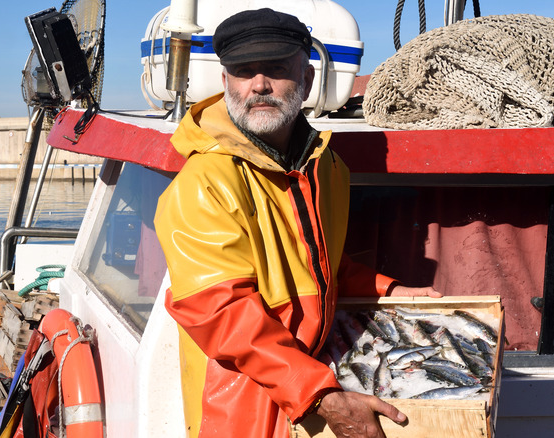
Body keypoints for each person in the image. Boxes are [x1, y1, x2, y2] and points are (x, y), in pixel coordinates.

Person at [153, 8, 440, 438]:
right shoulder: (203, 184)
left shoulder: (328, 168)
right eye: (243, 71)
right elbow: (222, 314)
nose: (259, 85)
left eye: (276, 69)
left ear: (305, 79)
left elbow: (318, 266)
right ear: (226, 81)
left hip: (312, 384)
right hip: (243, 407)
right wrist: (322, 394)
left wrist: (391, 290)